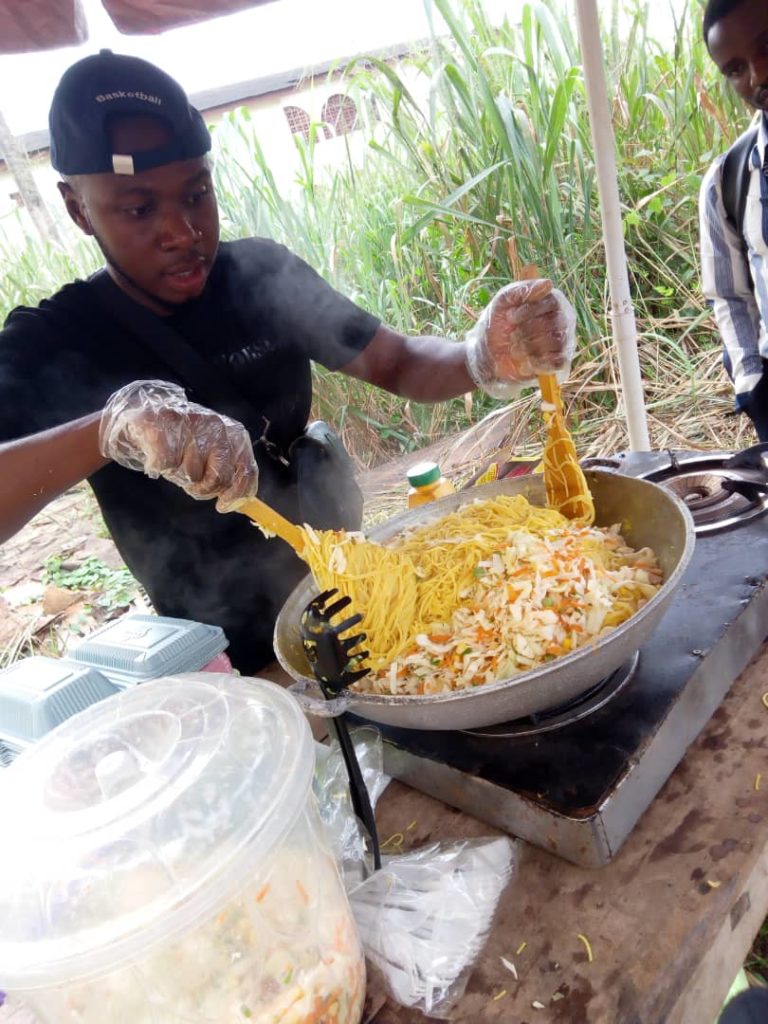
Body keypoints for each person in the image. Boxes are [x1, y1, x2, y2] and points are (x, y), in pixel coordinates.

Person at [0, 50, 576, 675]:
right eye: (139, 209)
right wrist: (107, 428)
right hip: (228, 654)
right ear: (78, 209)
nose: (183, 231)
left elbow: (397, 362)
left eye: (197, 194)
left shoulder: (258, 273)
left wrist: (479, 356)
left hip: (355, 596)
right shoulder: (58, 337)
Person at [699, 0, 768, 439]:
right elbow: (730, 296)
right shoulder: (728, 181)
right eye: (736, 68)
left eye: (767, 46)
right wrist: (754, 387)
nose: (758, 76)